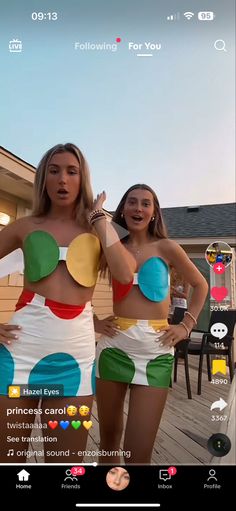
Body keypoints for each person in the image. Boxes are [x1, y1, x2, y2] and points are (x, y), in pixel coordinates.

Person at [0, 143, 136, 463]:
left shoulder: (100, 227)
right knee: (9, 459)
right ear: (43, 180)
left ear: (82, 179)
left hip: (74, 361)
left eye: (72, 172)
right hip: (19, 354)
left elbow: (125, 272)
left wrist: (100, 219)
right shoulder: (24, 226)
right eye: (54, 171)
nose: (63, 179)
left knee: (65, 463)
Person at [95, 184, 208, 464]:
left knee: (138, 451)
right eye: (132, 202)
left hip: (155, 353)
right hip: (113, 349)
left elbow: (200, 284)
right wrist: (94, 322)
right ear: (122, 209)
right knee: (108, 440)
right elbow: (77, 279)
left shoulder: (166, 247)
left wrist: (186, 326)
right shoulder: (111, 246)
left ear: (154, 212)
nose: (138, 208)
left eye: (146, 203)